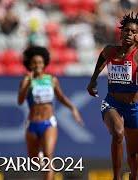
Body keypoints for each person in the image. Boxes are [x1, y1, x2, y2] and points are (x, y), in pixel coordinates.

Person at [87, 12, 138, 180]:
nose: (129, 34)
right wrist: (93, 81)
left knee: (133, 154)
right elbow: (102, 59)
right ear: (121, 32)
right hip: (112, 103)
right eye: (126, 30)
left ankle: (134, 177)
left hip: (133, 107)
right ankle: (116, 177)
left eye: (134, 32)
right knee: (118, 134)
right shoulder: (111, 50)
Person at [18, 46, 83, 180]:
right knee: (34, 160)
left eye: (40, 62)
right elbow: (20, 100)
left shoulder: (51, 80)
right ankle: (40, 160)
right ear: (29, 64)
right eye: (34, 63)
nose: (37, 65)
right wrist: (27, 83)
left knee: (48, 155)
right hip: (32, 124)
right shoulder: (26, 80)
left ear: (45, 63)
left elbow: (61, 97)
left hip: (49, 123)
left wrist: (73, 108)